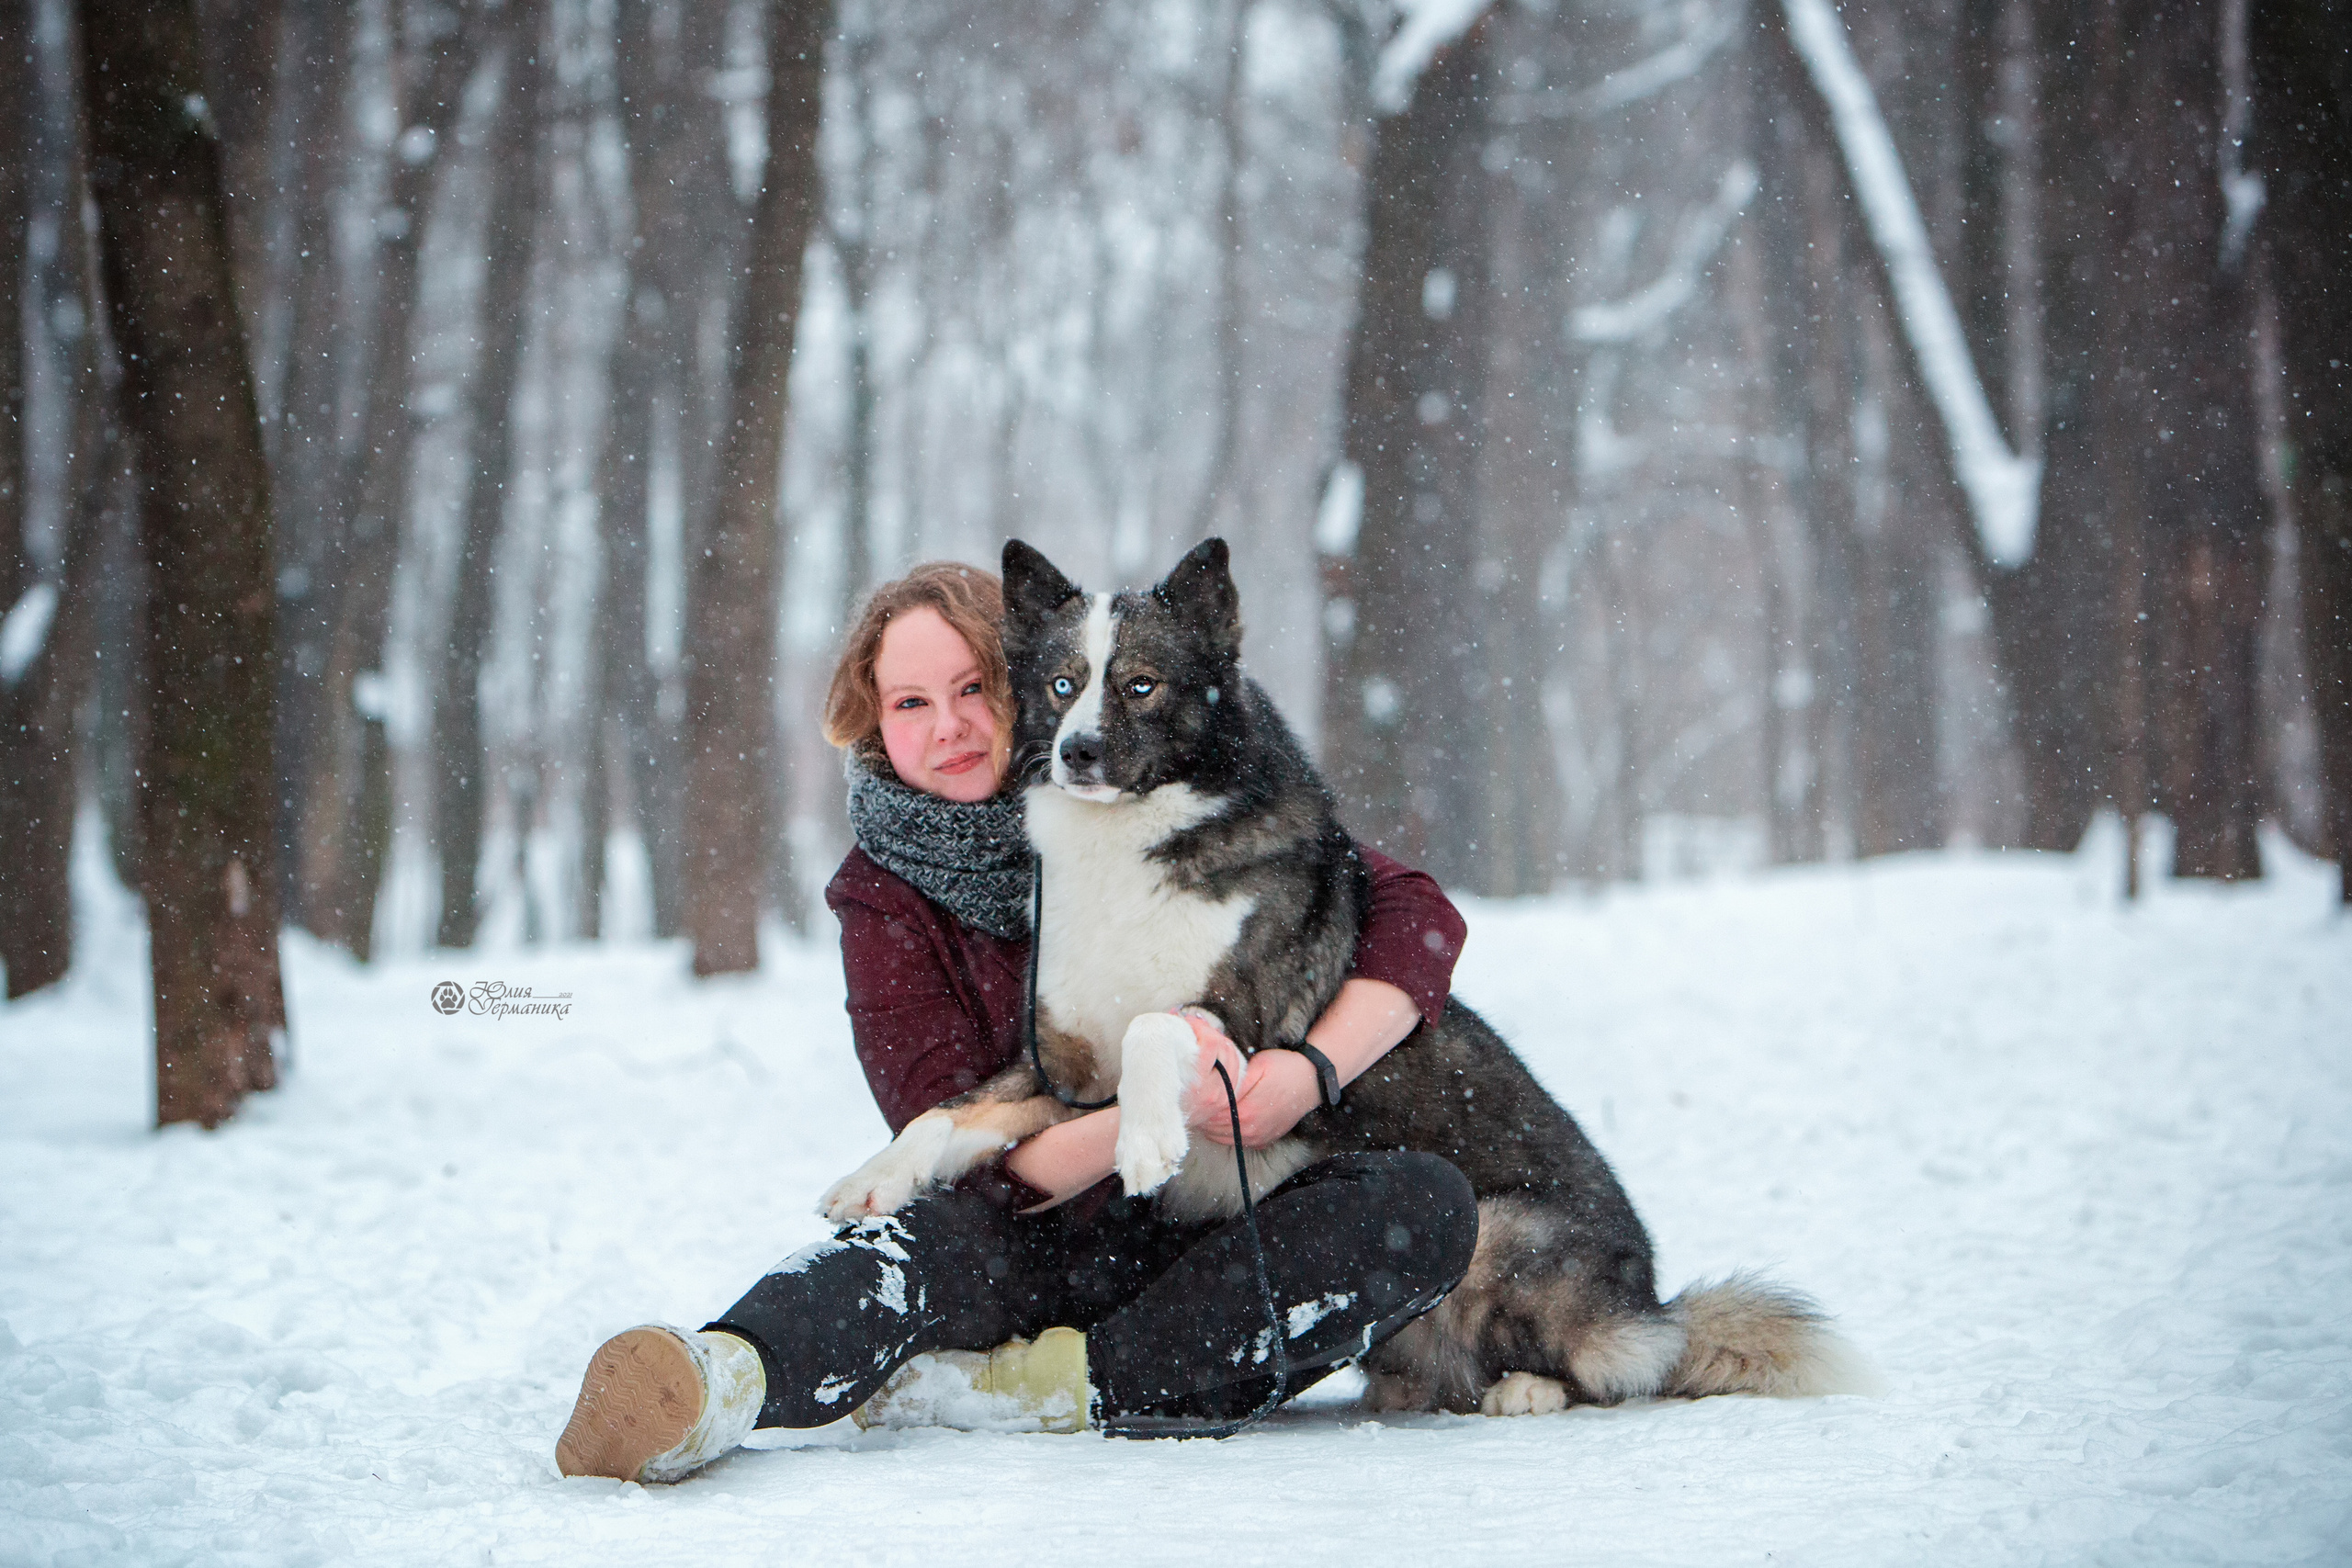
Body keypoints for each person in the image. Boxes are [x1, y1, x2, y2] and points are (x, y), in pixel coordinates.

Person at [555, 562, 1478, 1482]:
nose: (948, 725)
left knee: (1418, 1207)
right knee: (914, 1239)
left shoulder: (1158, 808)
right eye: (910, 703)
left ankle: (1054, 1387)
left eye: (970, 689)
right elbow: (948, 1123)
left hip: (1215, 1237)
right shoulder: (881, 896)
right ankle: (723, 1376)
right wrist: (1150, 1116)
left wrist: (1307, 1074)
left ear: (1021, 685)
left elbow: (1414, 916)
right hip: (1033, 1236)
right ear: (873, 721)